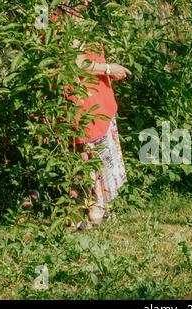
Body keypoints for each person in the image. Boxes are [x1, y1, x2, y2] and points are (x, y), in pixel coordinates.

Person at [52, 0, 131, 226]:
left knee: (80, 152)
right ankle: (95, 209)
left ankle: (78, 211)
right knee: (95, 149)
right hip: (88, 98)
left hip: (81, 97)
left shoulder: (52, 16)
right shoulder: (67, 20)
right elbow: (76, 61)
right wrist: (109, 68)